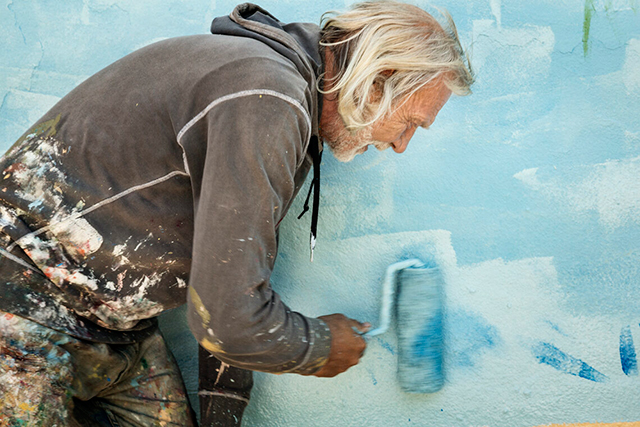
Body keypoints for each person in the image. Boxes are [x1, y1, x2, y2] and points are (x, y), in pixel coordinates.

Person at [0, 1, 473, 425]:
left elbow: (231, 284)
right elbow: (229, 320)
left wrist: (223, 410)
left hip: (113, 324)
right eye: (410, 122)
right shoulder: (266, 96)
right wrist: (319, 345)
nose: (401, 145)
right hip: (21, 302)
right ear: (377, 82)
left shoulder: (278, 98)